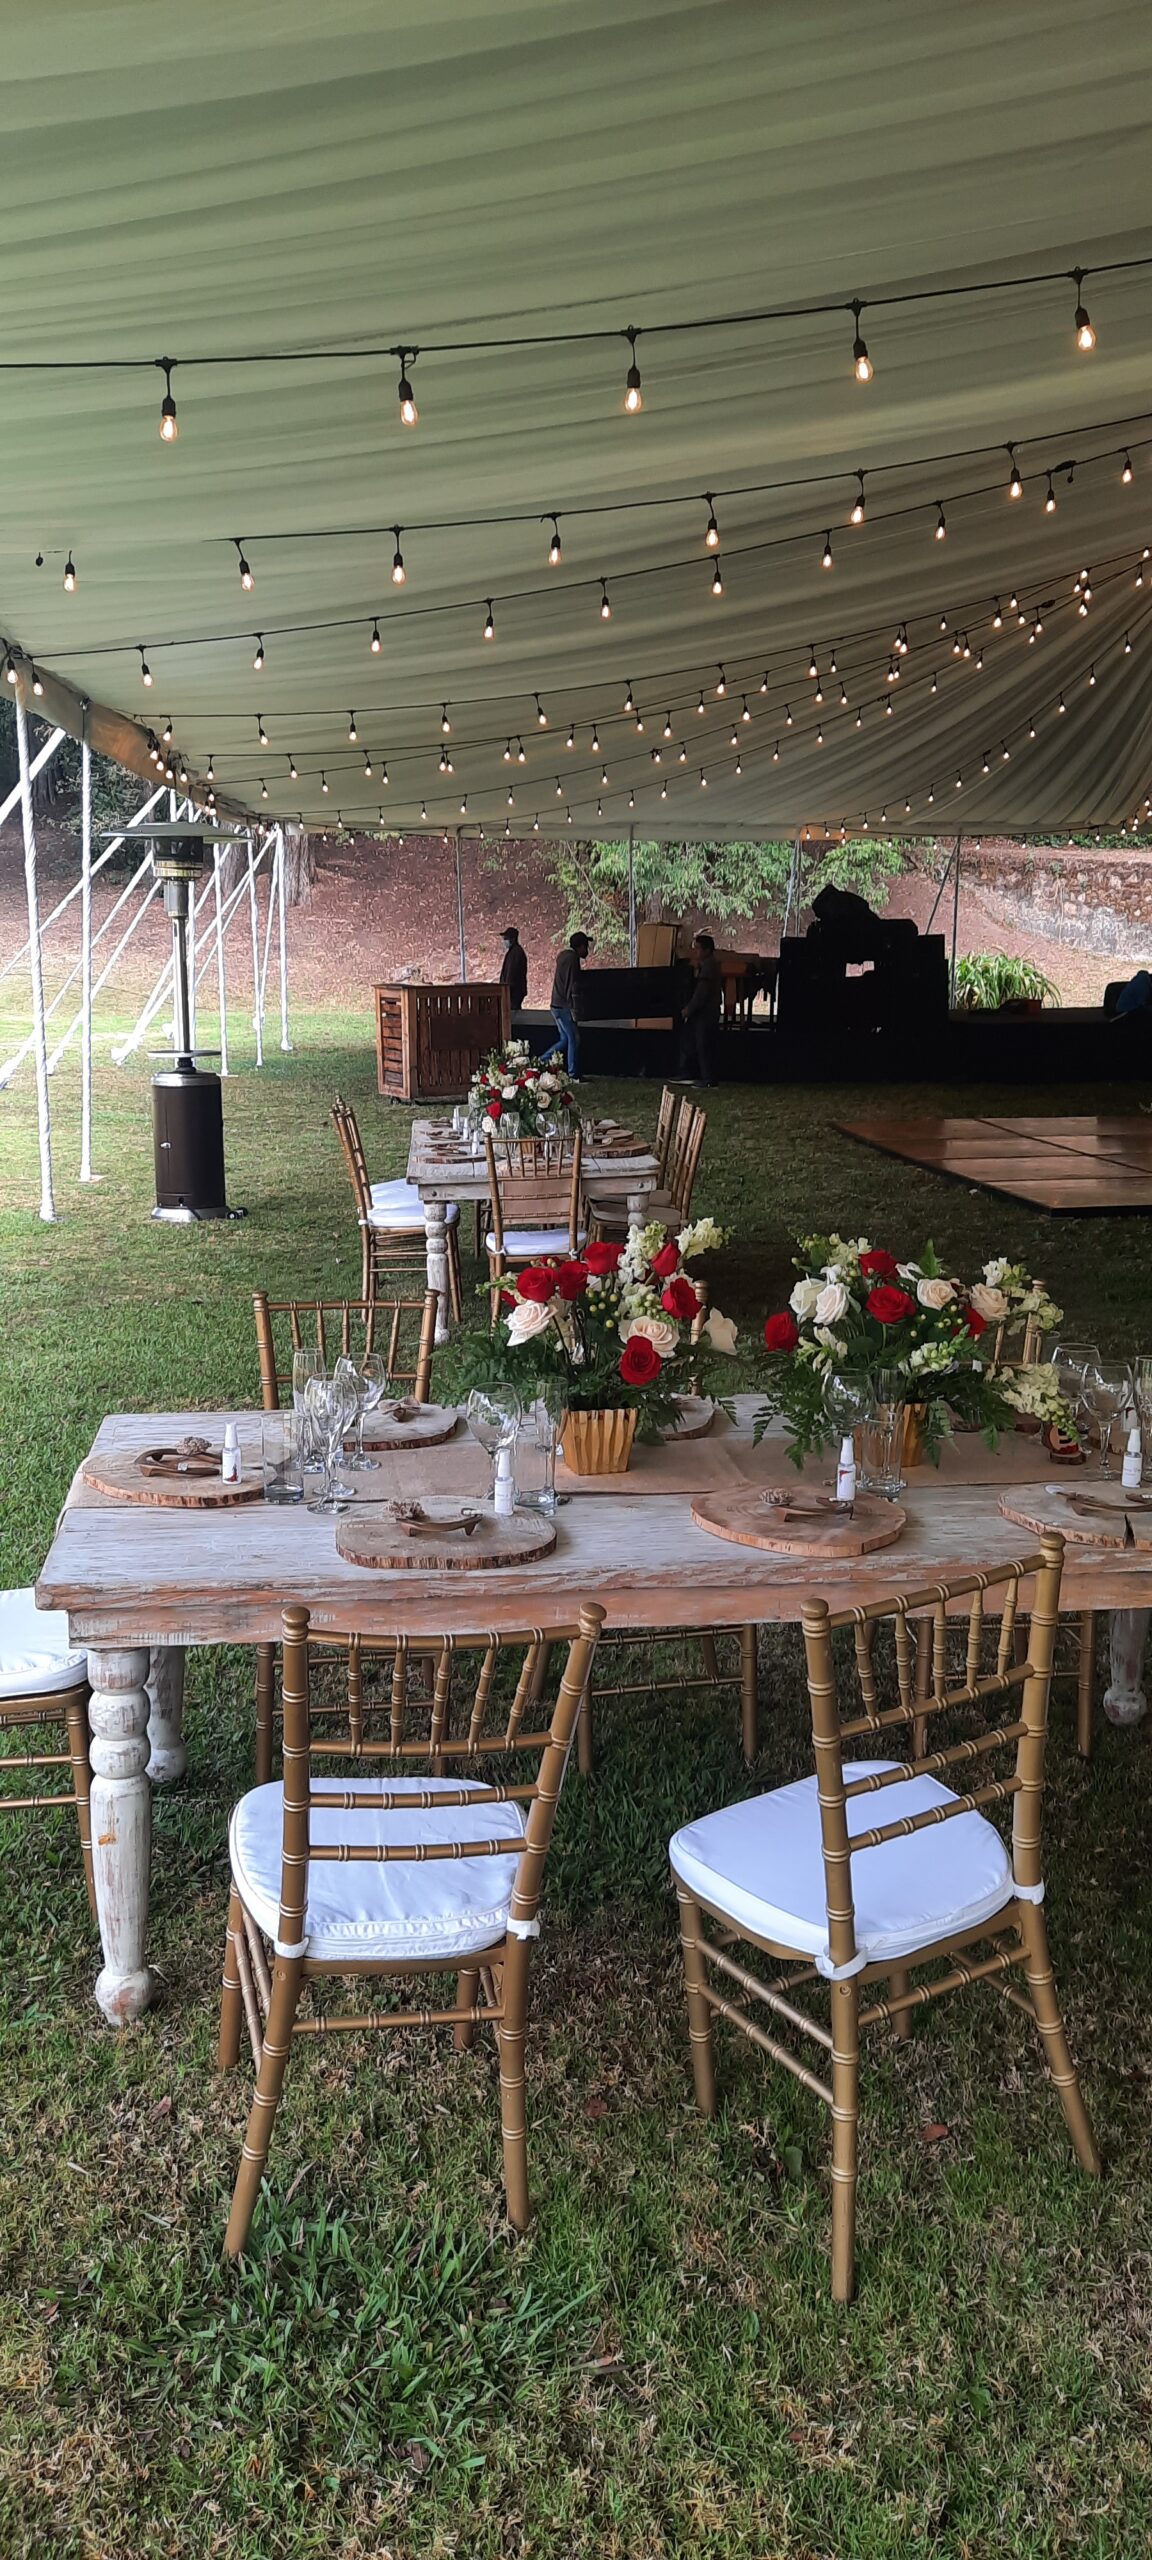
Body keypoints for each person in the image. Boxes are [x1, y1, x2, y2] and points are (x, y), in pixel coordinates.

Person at [680, 931, 723, 1085]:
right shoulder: (704, 965)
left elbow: (701, 993)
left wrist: (688, 1009)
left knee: (704, 1045)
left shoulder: (709, 967)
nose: (696, 952)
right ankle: (691, 1074)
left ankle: (708, 1078)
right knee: (693, 1043)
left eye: (698, 949)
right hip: (702, 1012)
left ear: (707, 950)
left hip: (707, 1012)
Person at [549, 931, 589, 1079]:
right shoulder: (573, 959)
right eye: (586, 946)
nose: (587, 950)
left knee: (565, 1039)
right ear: (580, 946)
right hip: (563, 1006)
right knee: (574, 1039)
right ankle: (573, 1074)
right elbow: (572, 984)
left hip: (556, 1004)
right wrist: (573, 1007)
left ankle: (542, 1060)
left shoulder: (563, 956)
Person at [499, 924, 528, 1013]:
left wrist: (507, 989)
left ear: (512, 939)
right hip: (512, 990)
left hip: (514, 991)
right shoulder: (513, 952)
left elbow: (511, 973)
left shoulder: (516, 953)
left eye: (506, 938)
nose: (504, 941)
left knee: (513, 1014)